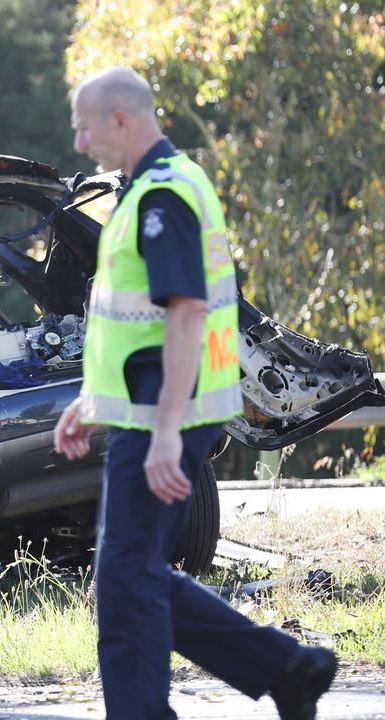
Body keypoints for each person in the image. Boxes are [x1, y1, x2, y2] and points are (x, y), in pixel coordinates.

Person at [53, 67, 338, 720]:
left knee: (125, 582)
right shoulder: (153, 187)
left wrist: (164, 433)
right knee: (137, 574)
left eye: (83, 125)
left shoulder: (162, 196)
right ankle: (287, 669)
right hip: (159, 409)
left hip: (168, 417)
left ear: (120, 119)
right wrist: (92, 401)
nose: (77, 141)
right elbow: (141, 326)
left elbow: (184, 314)